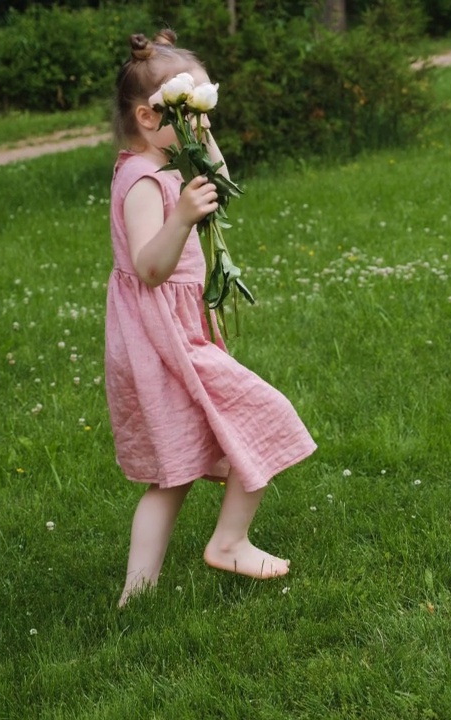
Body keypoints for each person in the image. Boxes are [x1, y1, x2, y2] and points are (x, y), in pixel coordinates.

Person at [106, 30, 317, 607]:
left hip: (170, 334)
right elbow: (150, 268)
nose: (201, 127)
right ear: (150, 117)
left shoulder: (163, 161)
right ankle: (229, 542)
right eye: (189, 114)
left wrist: (200, 133)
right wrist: (180, 221)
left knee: (171, 473)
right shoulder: (146, 183)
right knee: (262, 417)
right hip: (163, 339)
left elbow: (221, 181)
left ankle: (138, 593)